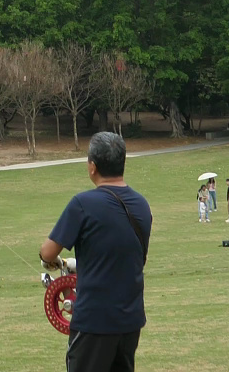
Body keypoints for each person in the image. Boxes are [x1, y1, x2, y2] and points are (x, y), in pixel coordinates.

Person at [41, 132, 151, 372]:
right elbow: (119, 258)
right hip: (130, 321)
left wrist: (54, 260)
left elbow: (48, 252)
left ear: (92, 167)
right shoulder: (142, 204)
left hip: (94, 322)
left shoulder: (82, 204)